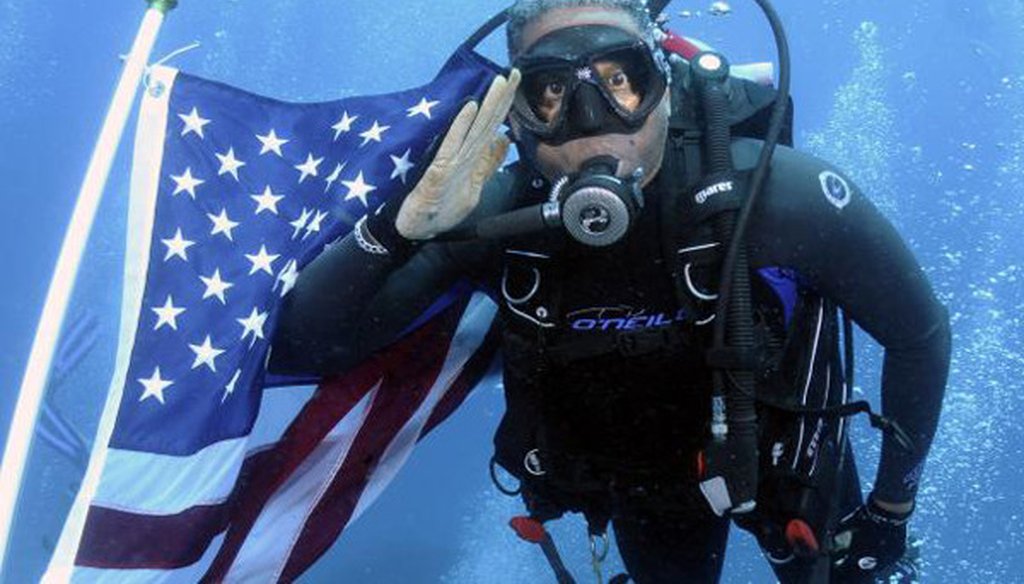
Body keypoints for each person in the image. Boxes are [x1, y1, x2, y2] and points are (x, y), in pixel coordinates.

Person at [268, 0, 951, 581]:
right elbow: (310, 342)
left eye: (622, 81)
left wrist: (892, 509)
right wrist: (399, 227)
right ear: (518, 118)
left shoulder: (776, 197)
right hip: (646, 494)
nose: (593, 120)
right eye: (553, 93)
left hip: (785, 466)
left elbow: (920, 334)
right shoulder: (499, 218)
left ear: (666, 90)